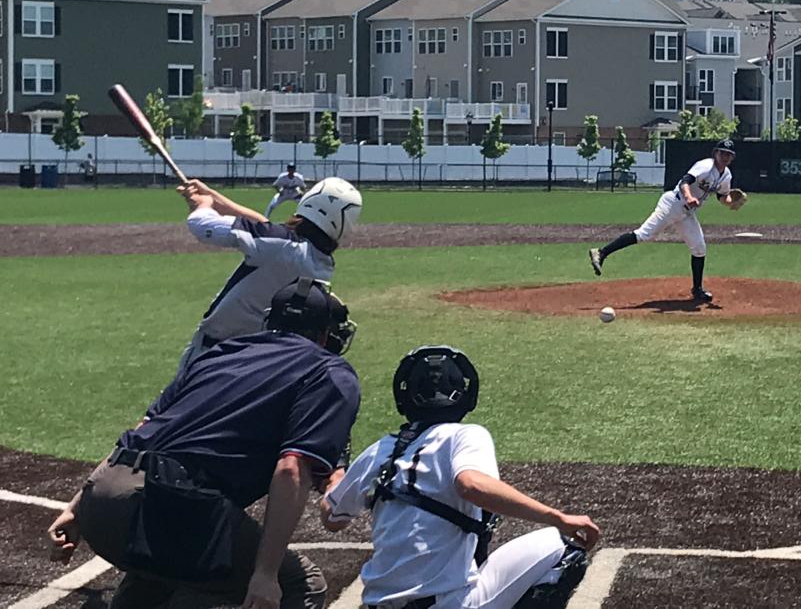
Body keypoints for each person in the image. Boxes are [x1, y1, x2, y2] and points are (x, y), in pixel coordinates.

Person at [48, 279, 362, 609]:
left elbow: (145, 430)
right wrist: (265, 574)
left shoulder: (222, 352)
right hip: (170, 507)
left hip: (100, 498)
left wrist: (75, 509)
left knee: (162, 571)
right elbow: (291, 469)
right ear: (325, 334)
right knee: (300, 584)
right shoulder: (328, 370)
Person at [322, 346, 599, 609]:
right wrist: (557, 517)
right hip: (448, 605)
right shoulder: (465, 435)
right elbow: (471, 485)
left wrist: (336, 476)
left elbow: (332, 518)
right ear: (464, 395)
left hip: (377, 605)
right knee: (562, 549)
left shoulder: (379, 450)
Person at [174, 176, 362, 373]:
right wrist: (212, 195)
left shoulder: (279, 244)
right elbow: (263, 224)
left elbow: (203, 226)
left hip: (213, 354)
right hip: (257, 362)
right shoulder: (320, 263)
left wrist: (203, 205)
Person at [589, 139, 741, 303]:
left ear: (732, 158)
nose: (725, 156)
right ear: (715, 153)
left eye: (728, 155)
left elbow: (722, 196)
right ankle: (601, 253)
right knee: (644, 235)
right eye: (722, 153)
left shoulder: (726, 175)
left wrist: (730, 202)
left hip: (687, 213)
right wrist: (689, 196)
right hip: (672, 203)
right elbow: (685, 181)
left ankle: (697, 290)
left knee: (699, 248)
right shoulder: (705, 166)